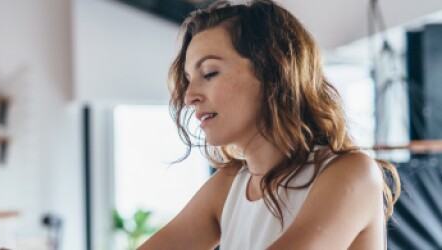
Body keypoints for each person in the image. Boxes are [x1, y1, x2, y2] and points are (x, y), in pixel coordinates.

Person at [138, 1, 401, 249]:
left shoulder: (350, 172)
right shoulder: (229, 185)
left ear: (274, 71)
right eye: (188, 79)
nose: (189, 95)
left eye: (209, 73)